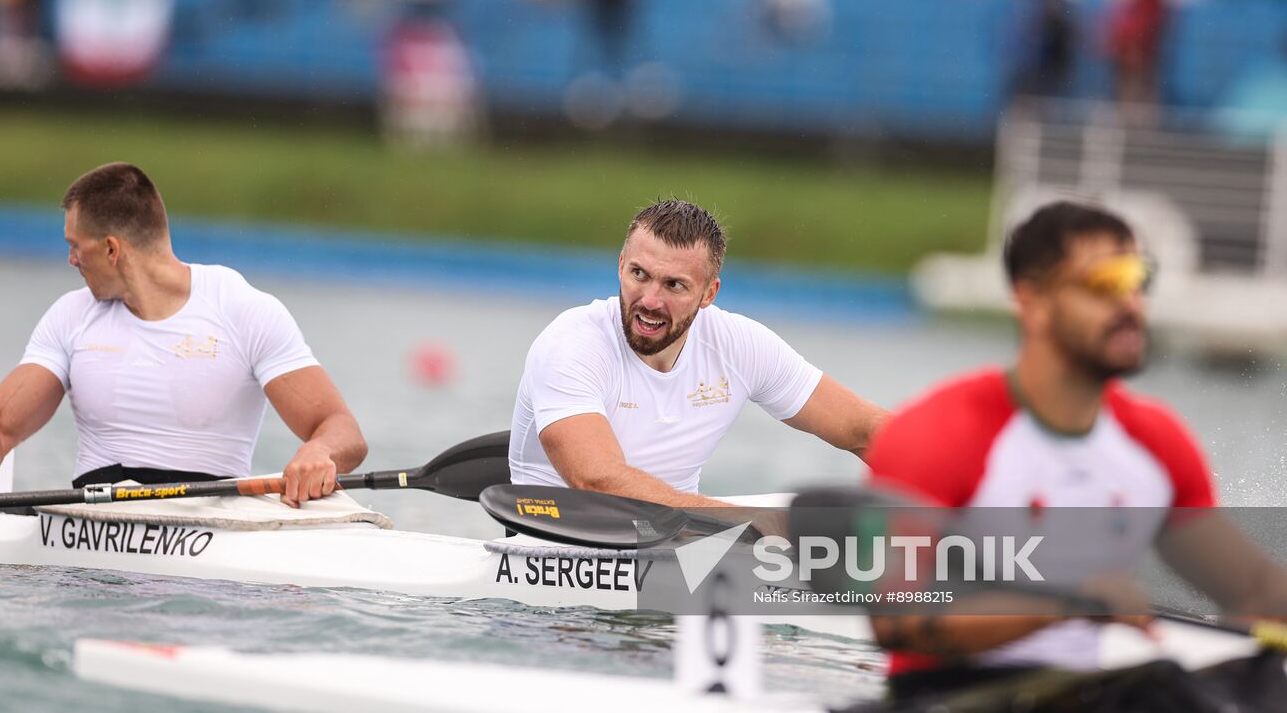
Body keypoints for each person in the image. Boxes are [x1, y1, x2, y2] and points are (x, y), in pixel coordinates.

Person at [863, 201, 1287, 703]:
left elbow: (1255, 591)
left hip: (1073, 692)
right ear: (1033, 301)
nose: (1131, 304)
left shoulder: (1156, 442)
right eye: (1104, 285)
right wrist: (1066, 604)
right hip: (943, 694)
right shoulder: (937, 434)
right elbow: (895, 621)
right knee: (1162, 690)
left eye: (1138, 281)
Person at [0, 162, 368, 528]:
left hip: (210, 529)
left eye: (75, 246)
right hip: (90, 528)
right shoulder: (72, 316)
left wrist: (319, 452)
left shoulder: (242, 310)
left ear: (112, 249)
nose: (69, 259)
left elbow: (341, 428)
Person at [509, 199, 889, 508]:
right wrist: (741, 524)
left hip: (676, 544)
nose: (650, 300)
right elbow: (596, 479)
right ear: (621, 265)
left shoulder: (740, 345)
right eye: (639, 275)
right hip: (556, 549)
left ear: (710, 293)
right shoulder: (572, 344)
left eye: (674, 285)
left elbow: (865, 431)